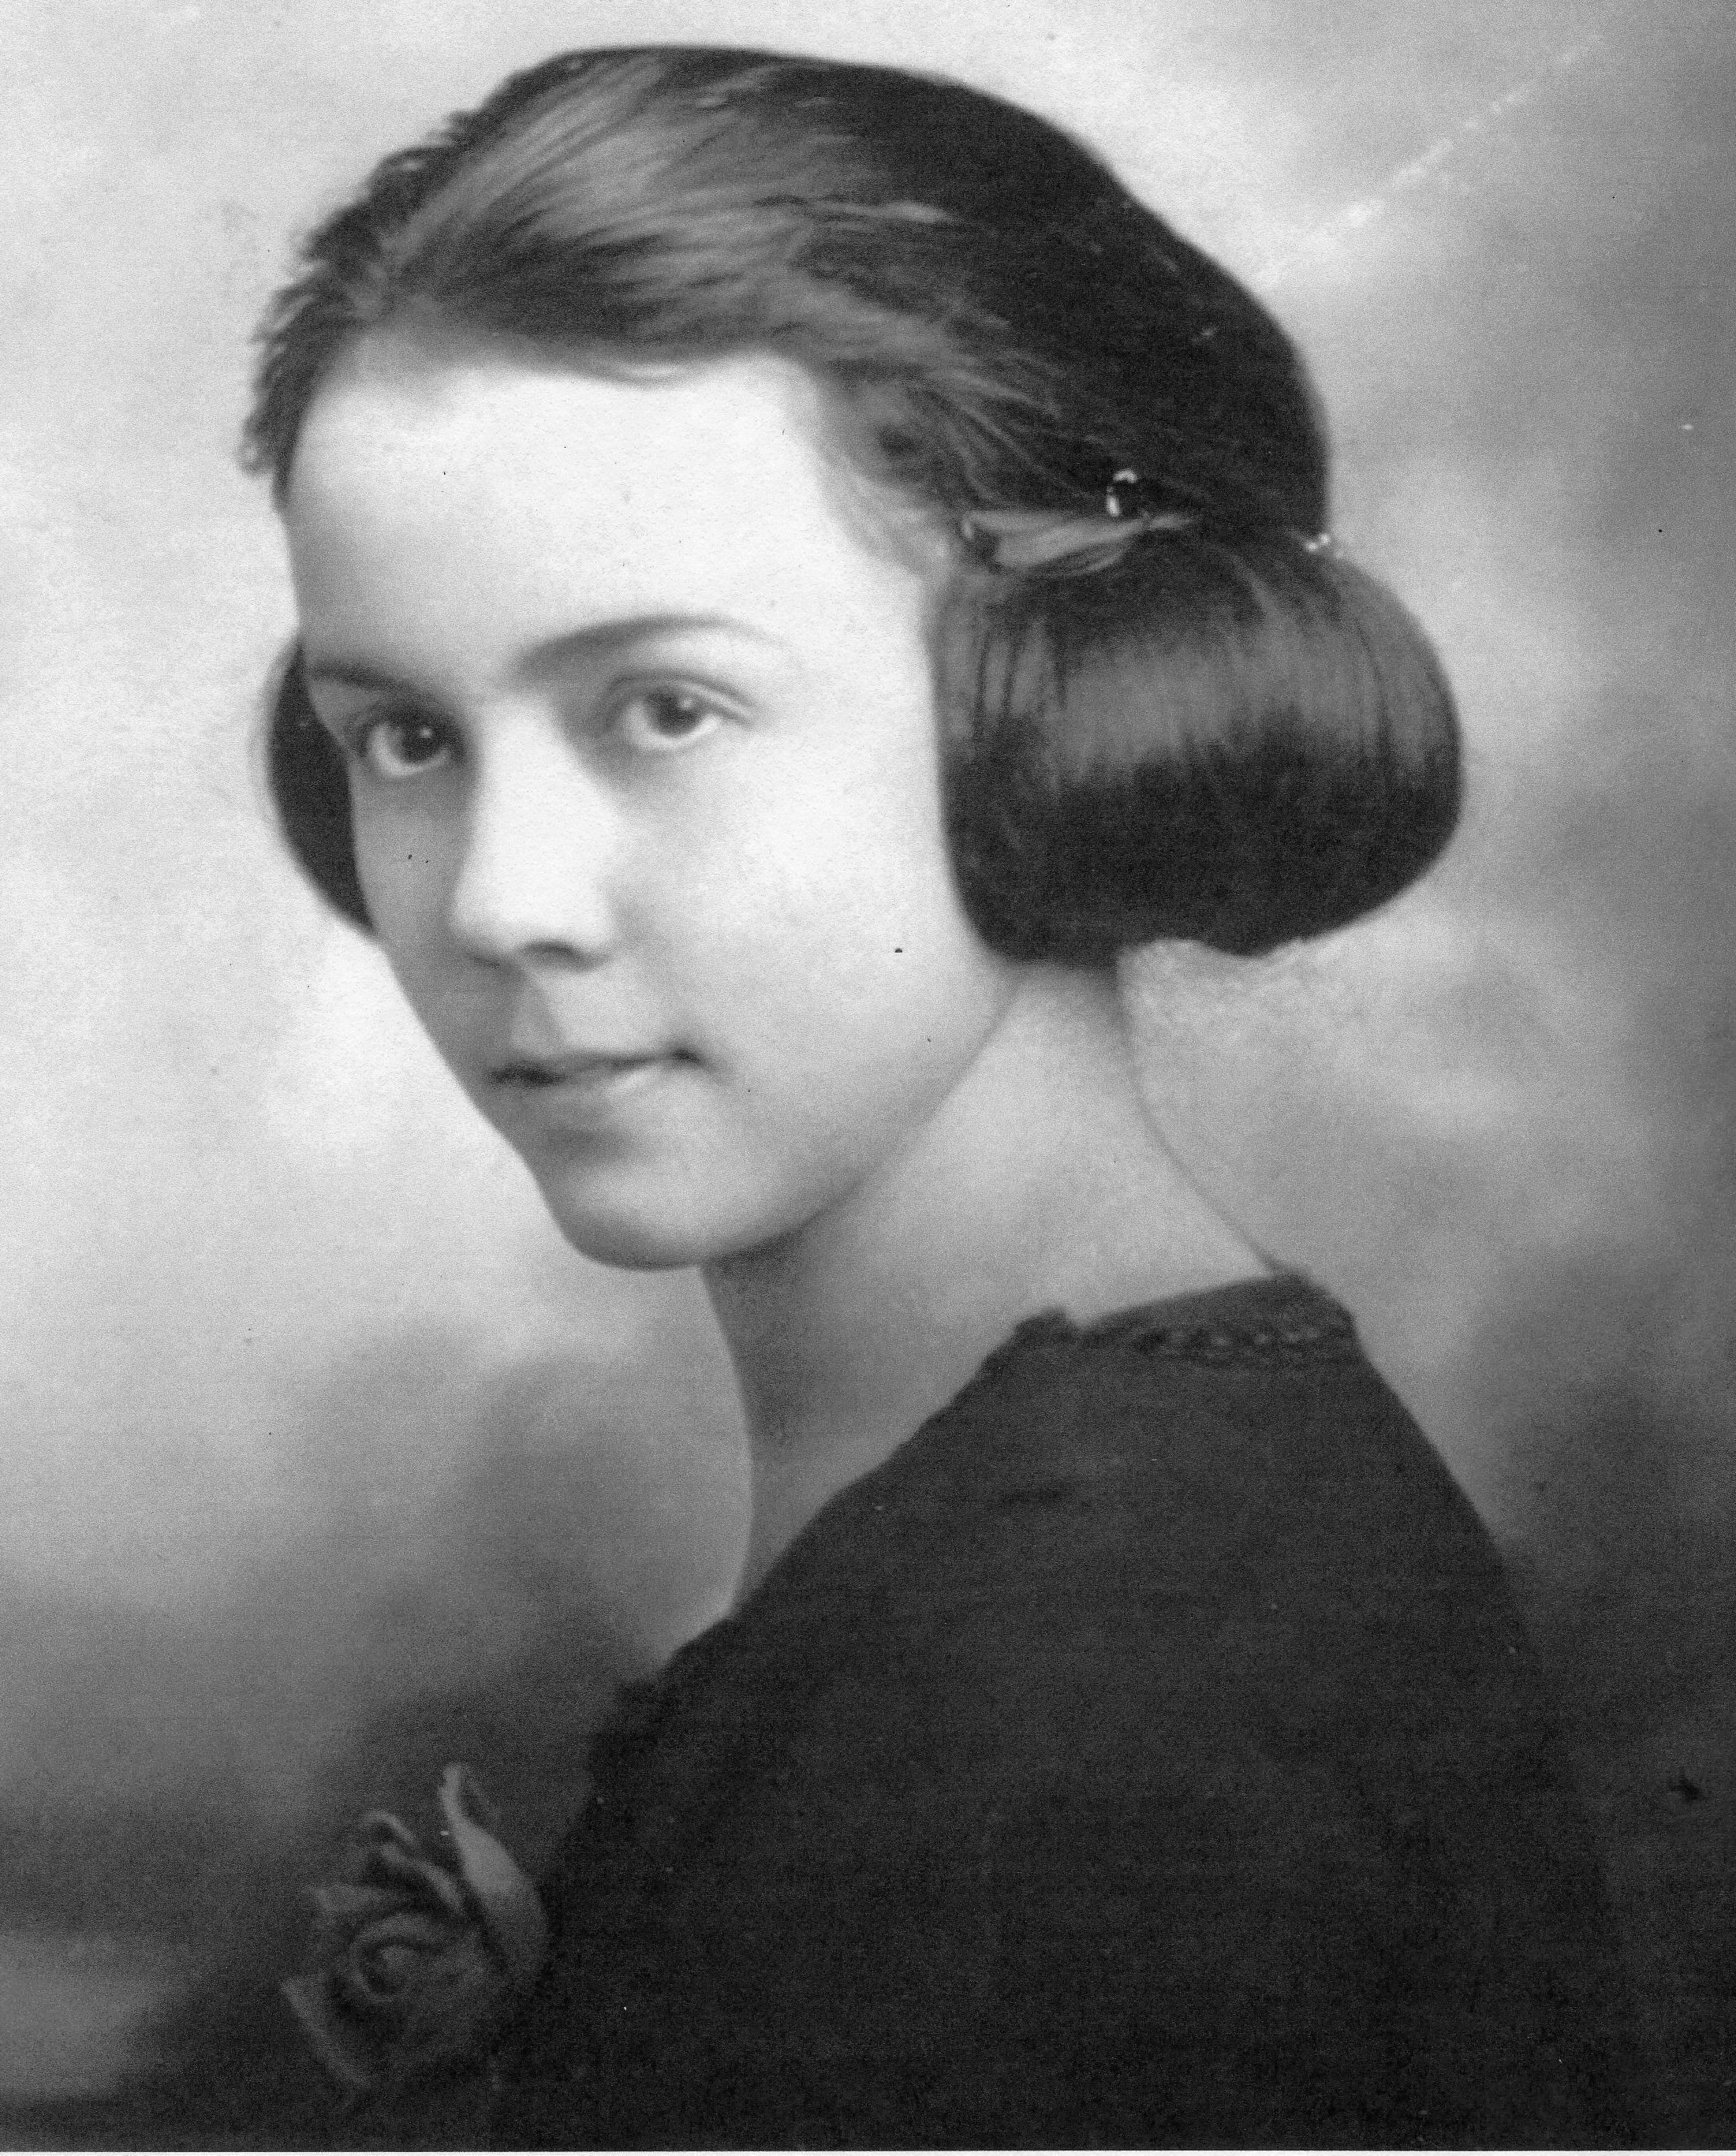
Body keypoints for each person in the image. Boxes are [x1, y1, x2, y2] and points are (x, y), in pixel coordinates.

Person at [247, 45, 1641, 2147]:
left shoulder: (1086, 1691)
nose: (501, 902)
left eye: (664, 708)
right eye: (406, 739)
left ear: (1049, 708)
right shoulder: (1089, 1505)